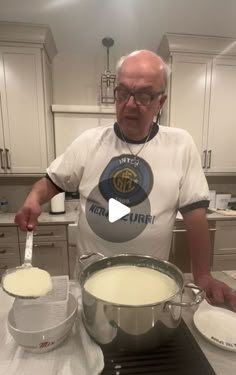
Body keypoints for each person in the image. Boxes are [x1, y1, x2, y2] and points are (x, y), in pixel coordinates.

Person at [15, 50, 236, 312]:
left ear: (160, 101)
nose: (130, 104)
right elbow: (50, 182)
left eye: (143, 95)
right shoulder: (89, 141)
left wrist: (203, 276)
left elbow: (195, 216)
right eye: (122, 93)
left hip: (150, 288)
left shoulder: (180, 144)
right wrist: (33, 197)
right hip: (91, 284)